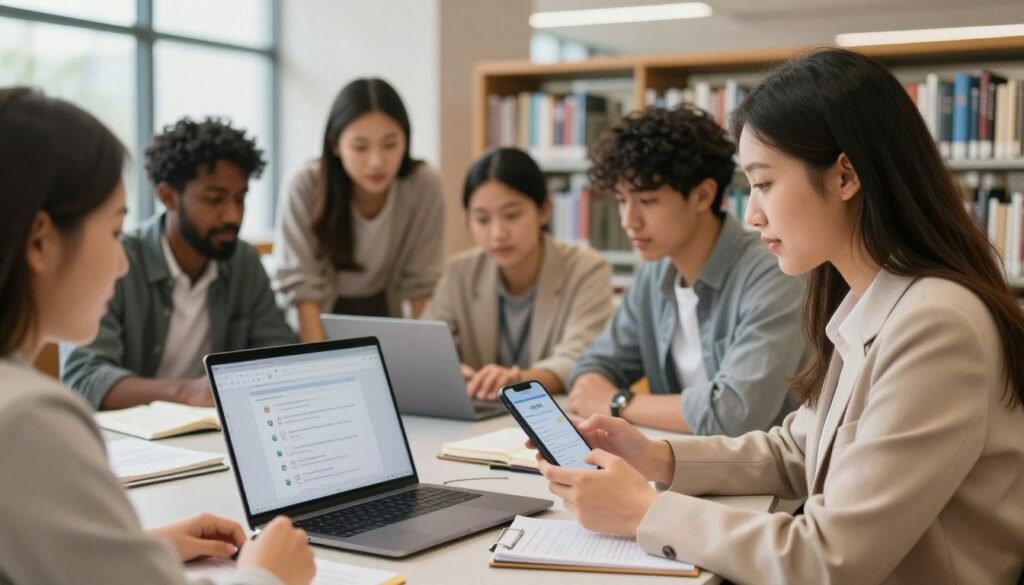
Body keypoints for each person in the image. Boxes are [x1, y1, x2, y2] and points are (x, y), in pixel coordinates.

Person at [534, 49, 1024, 583]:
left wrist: (644, 512)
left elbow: (832, 558)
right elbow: (797, 448)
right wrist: (656, 456)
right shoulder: (868, 299)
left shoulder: (936, 326)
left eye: (764, 184)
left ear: (845, 176)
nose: (752, 214)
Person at [0, 87, 315, 584]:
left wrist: (134, 549)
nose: (120, 260)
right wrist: (265, 576)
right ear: (41, 241)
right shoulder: (30, 420)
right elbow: (85, 377)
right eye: (111, 231)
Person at [567, 105, 806, 434]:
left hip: (764, 481)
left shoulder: (773, 272)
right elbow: (593, 366)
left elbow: (735, 414)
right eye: (622, 201)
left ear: (703, 195)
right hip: (678, 468)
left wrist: (618, 403)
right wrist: (594, 389)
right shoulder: (654, 274)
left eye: (647, 201)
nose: (628, 221)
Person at [61, 117, 296, 410]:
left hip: (213, 435)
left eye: (240, 198)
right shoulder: (117, 261)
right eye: (215, 199)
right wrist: (186, 392)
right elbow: (84, 378)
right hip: (133, 440)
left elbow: (282, 354)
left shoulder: (243, 261)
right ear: (168, 197)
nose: (233, 216)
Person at [423, 147, 613, 399]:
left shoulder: (586, 270)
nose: (498, 233)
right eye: (482, 219)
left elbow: (579, 360)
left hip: (552, 415)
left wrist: (516, 381)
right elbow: (426, 349)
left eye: (511, 215)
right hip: (481, 416)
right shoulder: (460, 272)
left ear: (544, 210)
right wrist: (450, 373)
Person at [274, 78, 444, 341]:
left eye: (390, 144)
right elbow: (302, 289)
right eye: (360, 147)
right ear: (335, 145)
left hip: (385, 313)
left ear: (406, 141)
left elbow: (422, 284)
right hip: (314, 318)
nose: (377, 162)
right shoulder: (304, 185)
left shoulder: (422, 184)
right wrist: (319, 361)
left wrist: (422, 355)